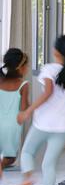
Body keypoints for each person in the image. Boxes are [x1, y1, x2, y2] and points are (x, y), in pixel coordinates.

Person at [10, 35, 65, 185]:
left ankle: (27, 178)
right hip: (64, 126)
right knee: (49, 164)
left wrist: (28, 111)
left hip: (43, 123)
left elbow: (49, 92)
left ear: (55, 51)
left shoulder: (49, 69)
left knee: (27, 152)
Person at [0, 49, 30, 178]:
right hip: (12, 125)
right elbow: (24, 108)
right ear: (21, 68)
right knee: (10, 158)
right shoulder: (23, 84)